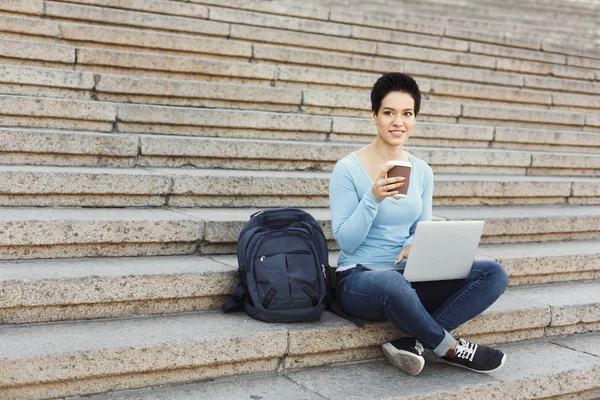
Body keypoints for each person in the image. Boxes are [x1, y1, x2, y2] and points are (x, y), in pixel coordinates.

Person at [328, 72, 509, 376]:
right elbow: (346, 242)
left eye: (407, 113)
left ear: (415, 119)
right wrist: (372, 198)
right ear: (374, 116)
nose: (398, 121)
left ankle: (413, 341)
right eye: (389, 112)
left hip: (408, 278)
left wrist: (417, 247)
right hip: (359, 280)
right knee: (392, 282)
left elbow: (420, 230)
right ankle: (450, 348)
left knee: (494, 273)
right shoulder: (347, 169)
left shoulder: (422, 171)